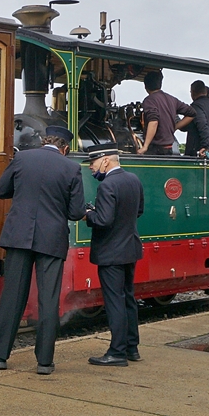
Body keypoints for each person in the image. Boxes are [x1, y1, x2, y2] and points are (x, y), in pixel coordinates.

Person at [0, 124, 87, 374]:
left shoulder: (21, 158)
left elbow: (0, 191)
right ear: (64, 148)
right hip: (51, 239)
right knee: (48, 299)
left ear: (45, 141)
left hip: (18, 235)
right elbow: (76, 213)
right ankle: (44, 361)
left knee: (12, 297)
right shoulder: (72, 168)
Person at [82, 142, 145, 367]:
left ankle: (116, 353)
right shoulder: (133, 180)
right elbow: (139, 211)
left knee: (114, 301)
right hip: (130, 248)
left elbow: (104, 220)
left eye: (93, 162)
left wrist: (89, 215)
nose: (91, 167)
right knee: (128, 298)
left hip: (111, 252)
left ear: (106, 160)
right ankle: (131, 347)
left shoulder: (107, 186)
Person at [137, 70, 196, 155]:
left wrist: (145, 146)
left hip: (155, 149)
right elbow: (192, 113)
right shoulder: (172, 99)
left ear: (145, 86)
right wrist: (174, 127)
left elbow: (153, 121)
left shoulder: (149, 100)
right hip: (169, 147)